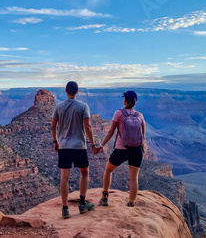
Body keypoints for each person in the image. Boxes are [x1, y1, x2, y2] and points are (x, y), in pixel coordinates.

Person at [51, 81, 98, 219]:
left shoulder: (58, 107)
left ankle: (65, 209)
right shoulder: (83, 106)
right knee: (84, 173)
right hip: (79, 146)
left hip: (64, 147)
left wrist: (55, 141)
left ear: (66, 91)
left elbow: (53, 126)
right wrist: (93, 144)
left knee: (64, 177)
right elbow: (88, 126)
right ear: (77, 92)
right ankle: (82, 204)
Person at [96, 90, 146, 207]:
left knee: (108, 170)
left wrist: (102, 145)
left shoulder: (119, 113)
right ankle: (131, 203)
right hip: (137, 150)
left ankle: (105, 197)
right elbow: (143, 135)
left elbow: (110, 132)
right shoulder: (140, 115)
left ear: (125, 100)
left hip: (121, 149)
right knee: (134, 178)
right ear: (135, 102)